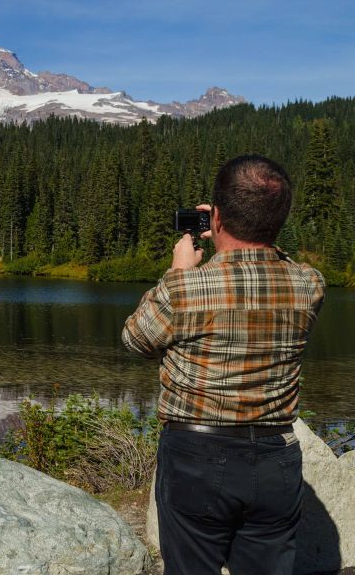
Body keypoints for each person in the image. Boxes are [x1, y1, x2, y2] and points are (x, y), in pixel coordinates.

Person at [122, 155, 325, 574]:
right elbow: (271, 260)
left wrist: (177, 271)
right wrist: (238, 223)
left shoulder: (186, 289)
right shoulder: (310, 284)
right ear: (280, 219)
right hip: (276, 456)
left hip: (196, 456)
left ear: (215, 218)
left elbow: (135, 339)